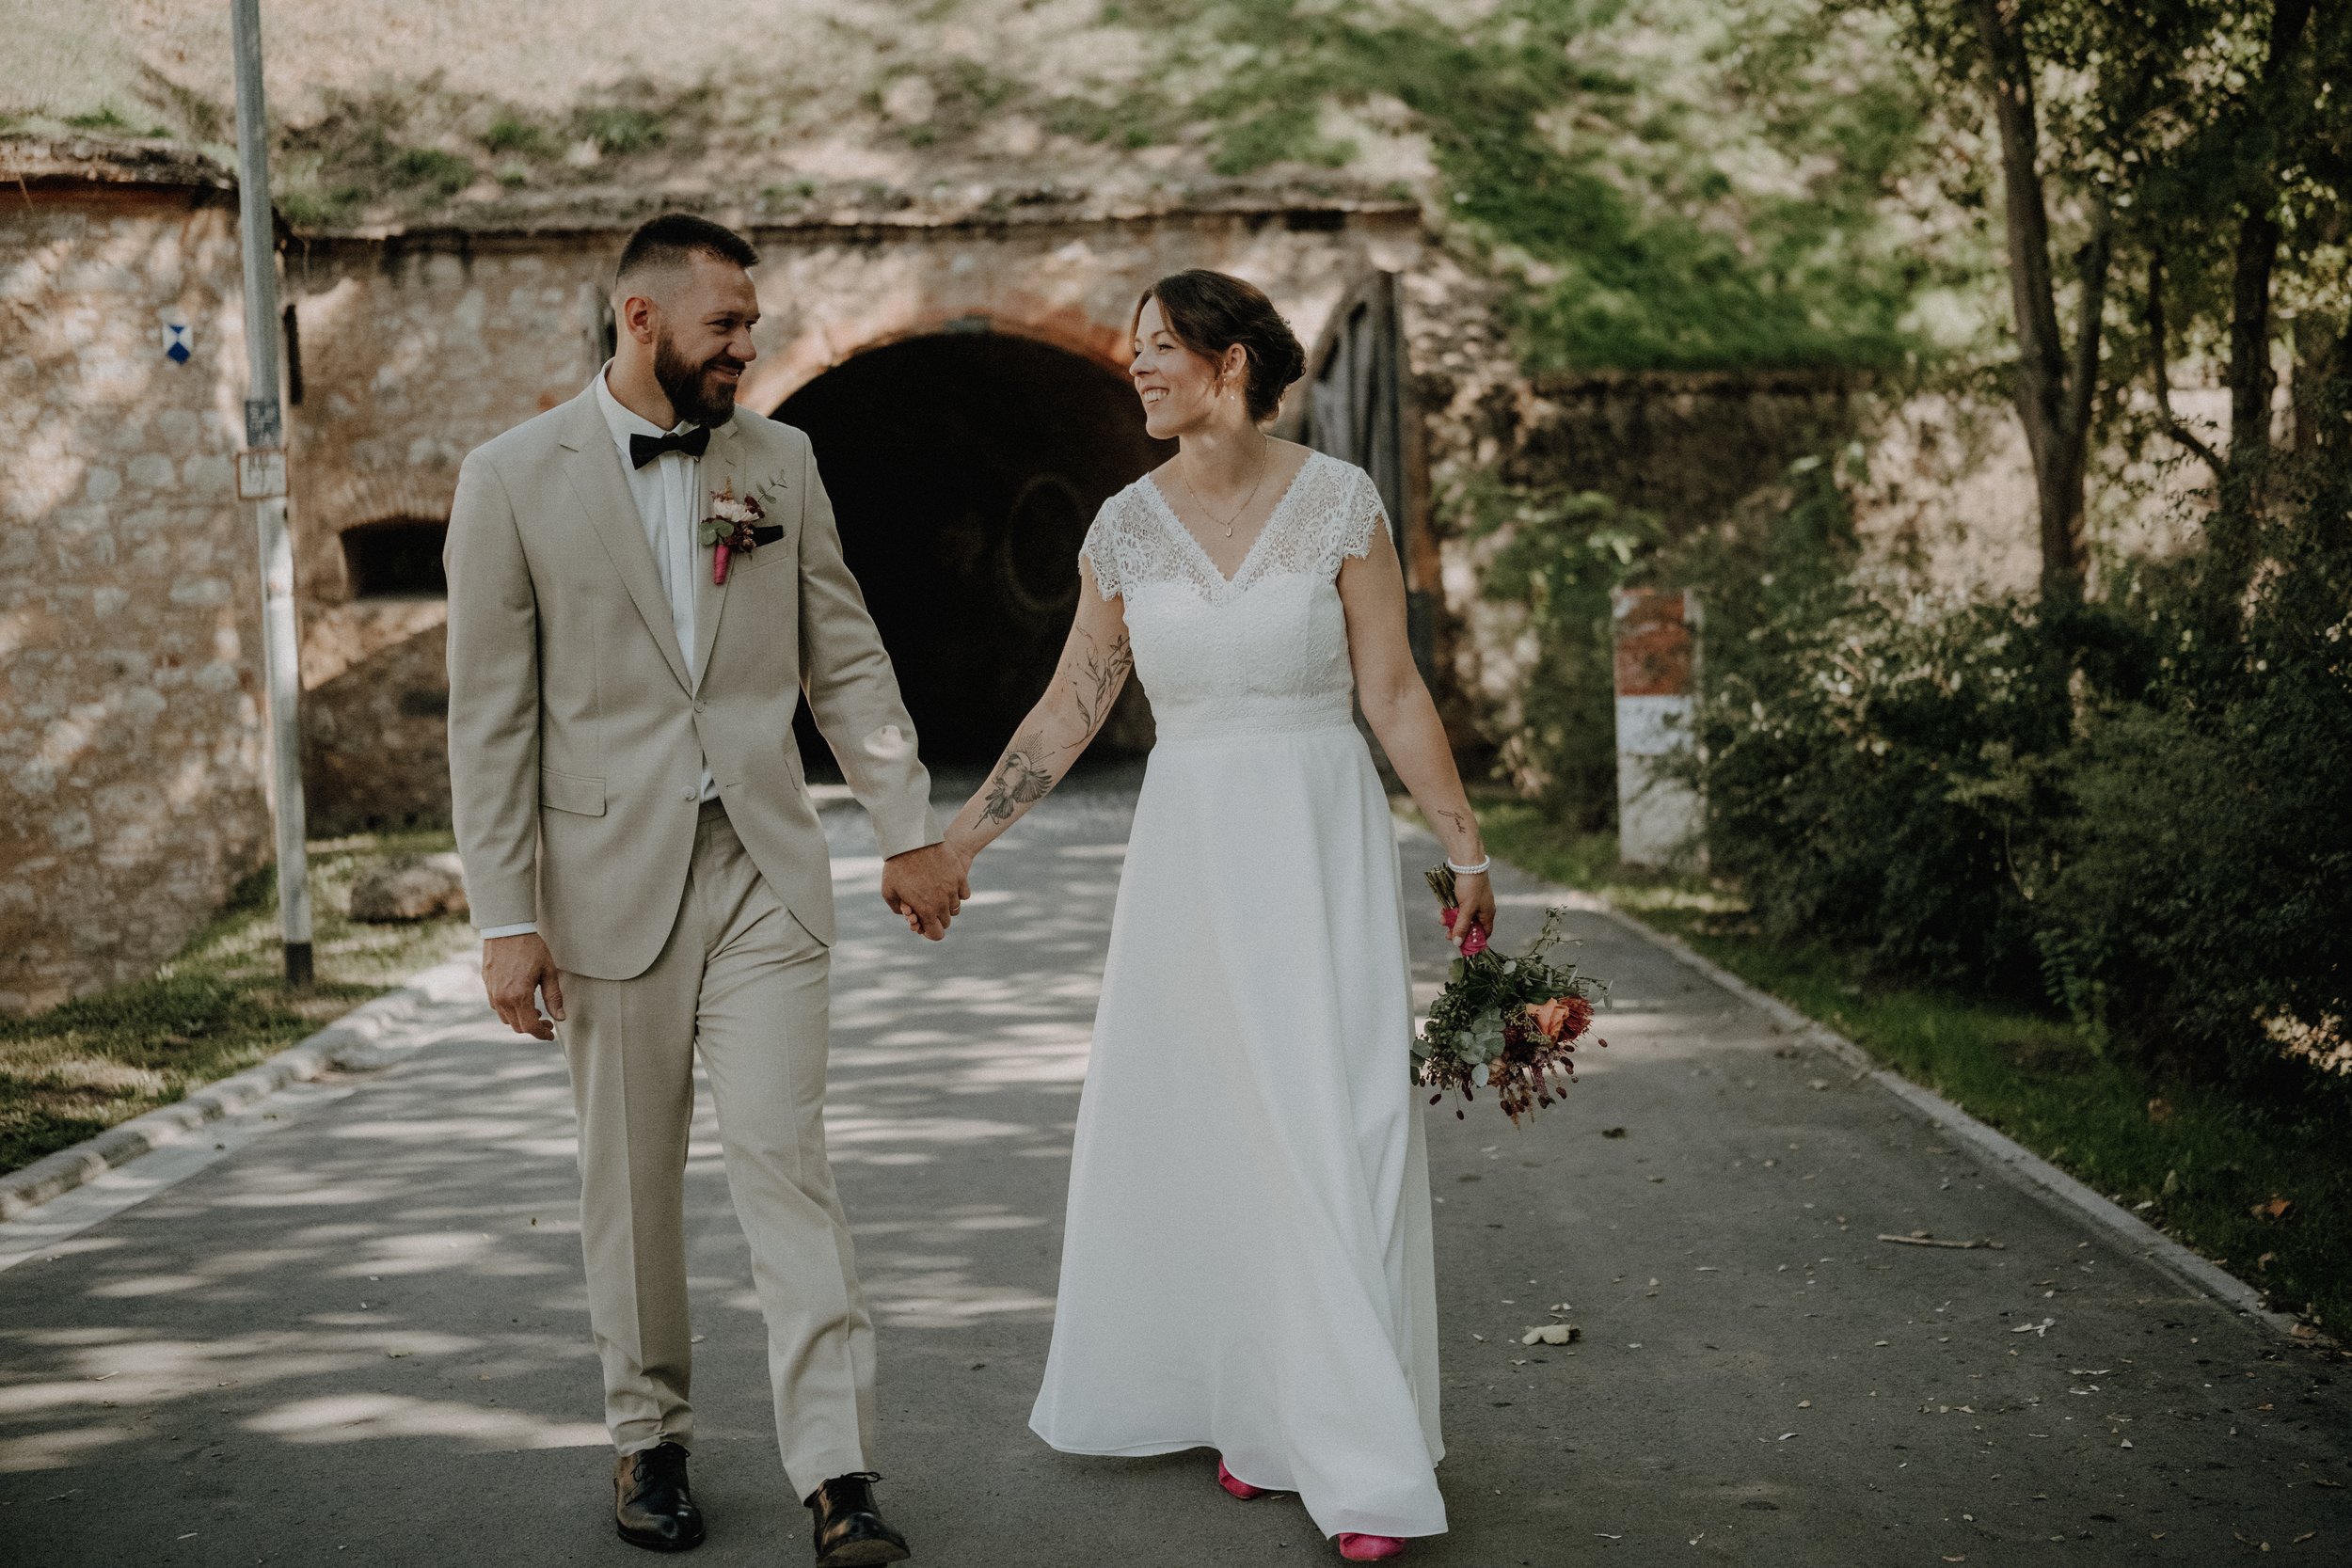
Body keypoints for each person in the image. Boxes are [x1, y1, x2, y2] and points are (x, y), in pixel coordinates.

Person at [937, 269, 1497, 1561]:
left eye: (1156, 350)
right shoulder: (1126, 530)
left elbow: (1395, 694)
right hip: (1191, 855)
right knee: (1231, 1129)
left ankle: (1351, 1446)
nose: (1133, 369)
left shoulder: (1344, 506)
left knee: (1334, 1120)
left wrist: (1464, 853)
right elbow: (1070, 706)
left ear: (1232, 363)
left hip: (1320, 840)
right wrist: (957, 846)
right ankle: (1264, 1414)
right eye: (1135, 352)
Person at [444, 212, 966, 1566]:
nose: (751, 343)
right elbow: (490, 722)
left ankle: (838, 1475)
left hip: (763, 876)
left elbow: (841, 657)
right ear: (641, 319)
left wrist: (906, 828)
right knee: (632, 1188)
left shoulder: (781, 461)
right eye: (726, 323)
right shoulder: (510, 479)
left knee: (789, 1169)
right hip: (604, 882)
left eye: (753, 321)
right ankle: (650, 1440)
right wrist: (508, 918)